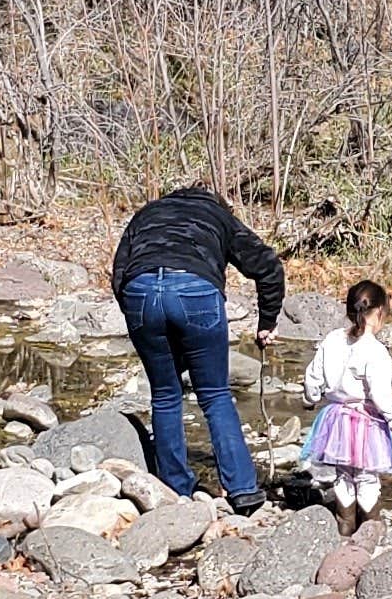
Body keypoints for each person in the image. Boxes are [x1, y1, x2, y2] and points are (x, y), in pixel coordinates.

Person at [110, 182, 286, 512]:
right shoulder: (217, 215)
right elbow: (267, 265)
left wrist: (143, 321)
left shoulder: (148, 213)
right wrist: (267, 321)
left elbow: (120, 272)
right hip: (196, 291)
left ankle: (175, 489)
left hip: (141, 291)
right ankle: (243, 490)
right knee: (215, 394)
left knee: (165, 394)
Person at [301, 279, 392, 533]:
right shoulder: (375, 351)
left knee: (344, 475)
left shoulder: (332, 340)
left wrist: (310, 398)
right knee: (367, 476)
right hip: (366, 422)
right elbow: (380, 393)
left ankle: (345, 526)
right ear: (380, 312)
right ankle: (370, 529)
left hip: (336, 419)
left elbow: (313, 375)